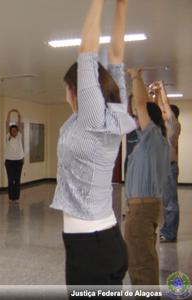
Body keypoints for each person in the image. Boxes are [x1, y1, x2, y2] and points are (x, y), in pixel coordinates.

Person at [50, 0, 136, 287]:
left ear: (74, 90)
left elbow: (87, 53)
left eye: (66, 89)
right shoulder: (115, 111)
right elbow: (116, 56)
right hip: (108, 238)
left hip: (89, 248)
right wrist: (121, 5)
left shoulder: (91, 118)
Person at [124, 70, 170, 287]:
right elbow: (145, 107)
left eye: (137, 116)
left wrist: (135, 77)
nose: (135, 118)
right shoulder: (155, 141)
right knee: (144, 261)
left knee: (140, 264)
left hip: (142, 210)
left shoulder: (152, 138)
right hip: (144, 207)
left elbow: (141, 105)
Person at [152, 81, 181, 243]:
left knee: (170, 203)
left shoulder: (173, 125)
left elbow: (166, 109)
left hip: (169, 168)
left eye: (165, 111)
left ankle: (170, 234)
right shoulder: (162, 127)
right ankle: (165, 230)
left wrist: (162, 89)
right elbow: (156, 112)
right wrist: (155, 94)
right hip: (161, 168)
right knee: (163, 202)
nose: (163, 112)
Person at [4, 109, 24, 203]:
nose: (14, 131)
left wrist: (19, 116)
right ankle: (11, 198)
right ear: (10, 131)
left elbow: (19, 124)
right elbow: (7, 123)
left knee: (17, 180)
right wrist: (9, 113)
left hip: (19, 161)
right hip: (9, 162)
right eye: (12, 130)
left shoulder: (19, 136)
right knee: (11, 180)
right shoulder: (8, 137)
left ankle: (16, 198)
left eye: (15, 130)